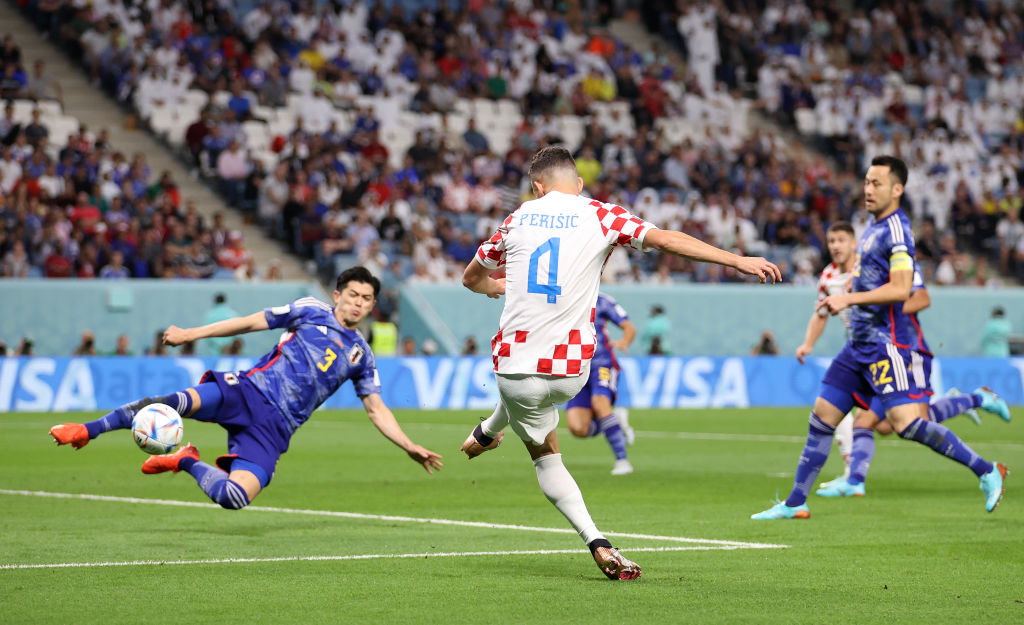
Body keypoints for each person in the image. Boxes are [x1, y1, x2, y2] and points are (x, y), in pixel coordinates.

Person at [459, 146, 781, 579]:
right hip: (572, 370)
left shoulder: (515, 218)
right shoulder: (600, 214)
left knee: (542, 447)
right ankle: (485, 432)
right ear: (578, 183)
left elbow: (470, 278)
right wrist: (736, 260)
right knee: (538, 398)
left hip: (514, 366)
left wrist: (494, 287)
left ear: (536, 187)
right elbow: (666, 240)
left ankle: (596, 539)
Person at [50, 267, 443, 510]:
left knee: (233, 498)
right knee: (171, 403)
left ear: (372, 307)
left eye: (366, 299)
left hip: (274, 429)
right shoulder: (310, 309)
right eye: (353, 295)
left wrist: (408, 444)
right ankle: (87, 429)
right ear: (338, 295)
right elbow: (250, 322)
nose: (358, 303)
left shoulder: (362, 355)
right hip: (247, 391)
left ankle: (185, 459)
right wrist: (191, 334)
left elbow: (376, 409)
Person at [752, 156, 1008, 520]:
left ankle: (986, 469)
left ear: (897, 189)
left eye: (877, 184)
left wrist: (849, 298)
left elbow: (904, 289)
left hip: (886, 347)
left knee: (906, 425)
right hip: (857, 345)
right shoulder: (872, 228)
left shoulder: (898, 232)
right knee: (823, 416)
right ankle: (796, 502)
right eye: (867, 182)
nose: (868, 190)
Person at [815, 259, 1011, 498]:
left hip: (909, 352)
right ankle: (855, 481)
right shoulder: (866, 269)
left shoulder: (901, 264)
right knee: (884, 425)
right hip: (880, 355)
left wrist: (881, 308)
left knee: (914, 421)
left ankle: (975, 403)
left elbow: (922, 299)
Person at [794, 221, 859, 483]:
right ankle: (852, 475)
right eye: (831, 241)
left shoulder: (869, 269)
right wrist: (807, 344)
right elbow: (820, 314)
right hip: (856, 348)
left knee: (898, 422)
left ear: (854, 243)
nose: (835, 246)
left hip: (884, 348)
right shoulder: (828, 276)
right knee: (832, 404)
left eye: (841, 240)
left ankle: (969, 401)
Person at [564, 292, 637, 475]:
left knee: (600, 402)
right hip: (576, 369)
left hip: (602, 364)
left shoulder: (603, 301)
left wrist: (623, 342)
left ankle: (622, 461)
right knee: (578, 429)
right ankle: (615, 421)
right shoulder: (563, 296)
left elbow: (628, 327)